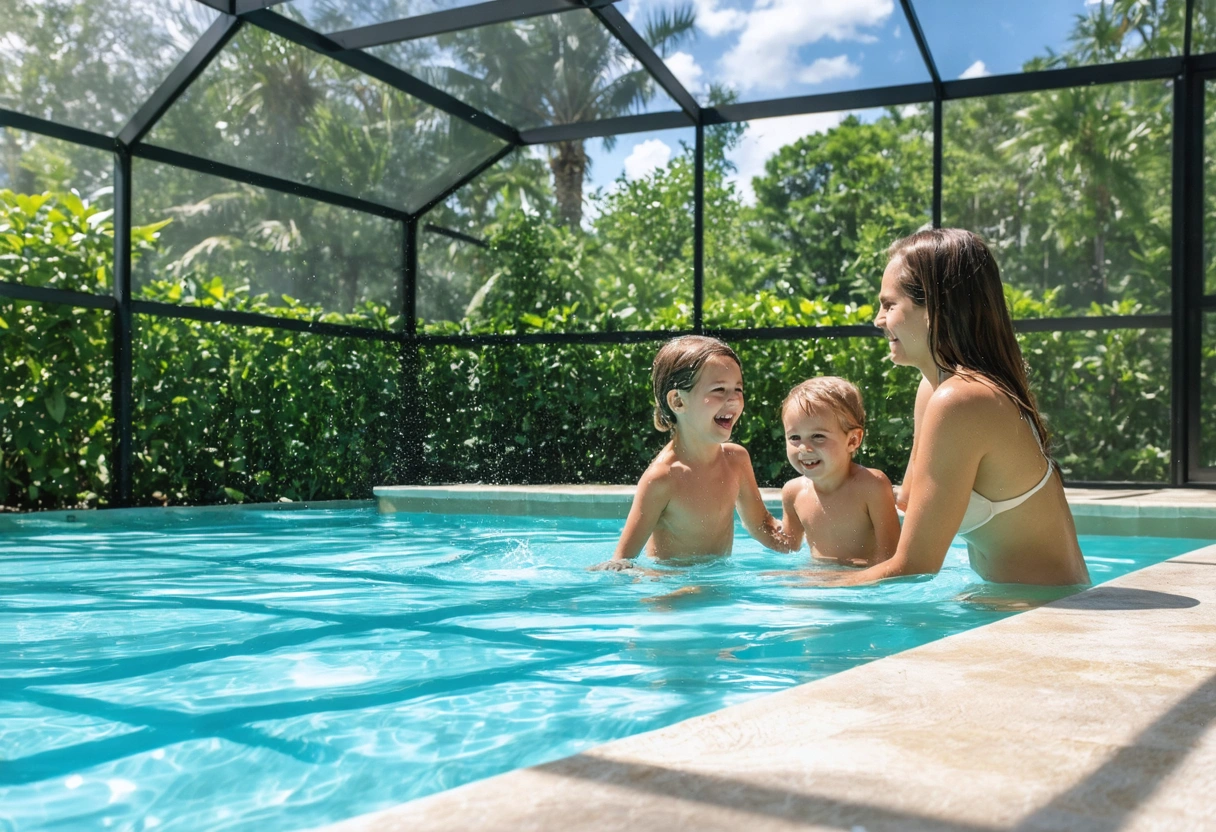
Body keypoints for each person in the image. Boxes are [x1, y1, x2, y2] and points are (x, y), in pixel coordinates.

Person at [810, 228, 1089, 587]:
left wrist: (800, 595)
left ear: (935, 306)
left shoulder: (962, 400)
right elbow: (907, 511)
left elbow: (916, 565)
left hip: (1048, 612)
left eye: (889, 305)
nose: (878, 320)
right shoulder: (934, 390)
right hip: (1006, 601)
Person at [590, 336, 790, 570]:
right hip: (672, 589)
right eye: (719, 390)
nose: (734, 398)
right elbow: (622, 562)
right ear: (678, 402)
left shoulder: (736, 461)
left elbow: (763, 527)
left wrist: (808, 528)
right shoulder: (663, 478)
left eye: (738, 388)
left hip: (717, 585)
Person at [779, 377, 901, 567]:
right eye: (794, 437)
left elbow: (891, 558)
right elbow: (788, 546)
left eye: (818, 436)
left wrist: (842, 580)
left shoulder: (871, 486)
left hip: (863, 586)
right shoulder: (793, 492)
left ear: (853, 440)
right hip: (818, 581)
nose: (803, 447)